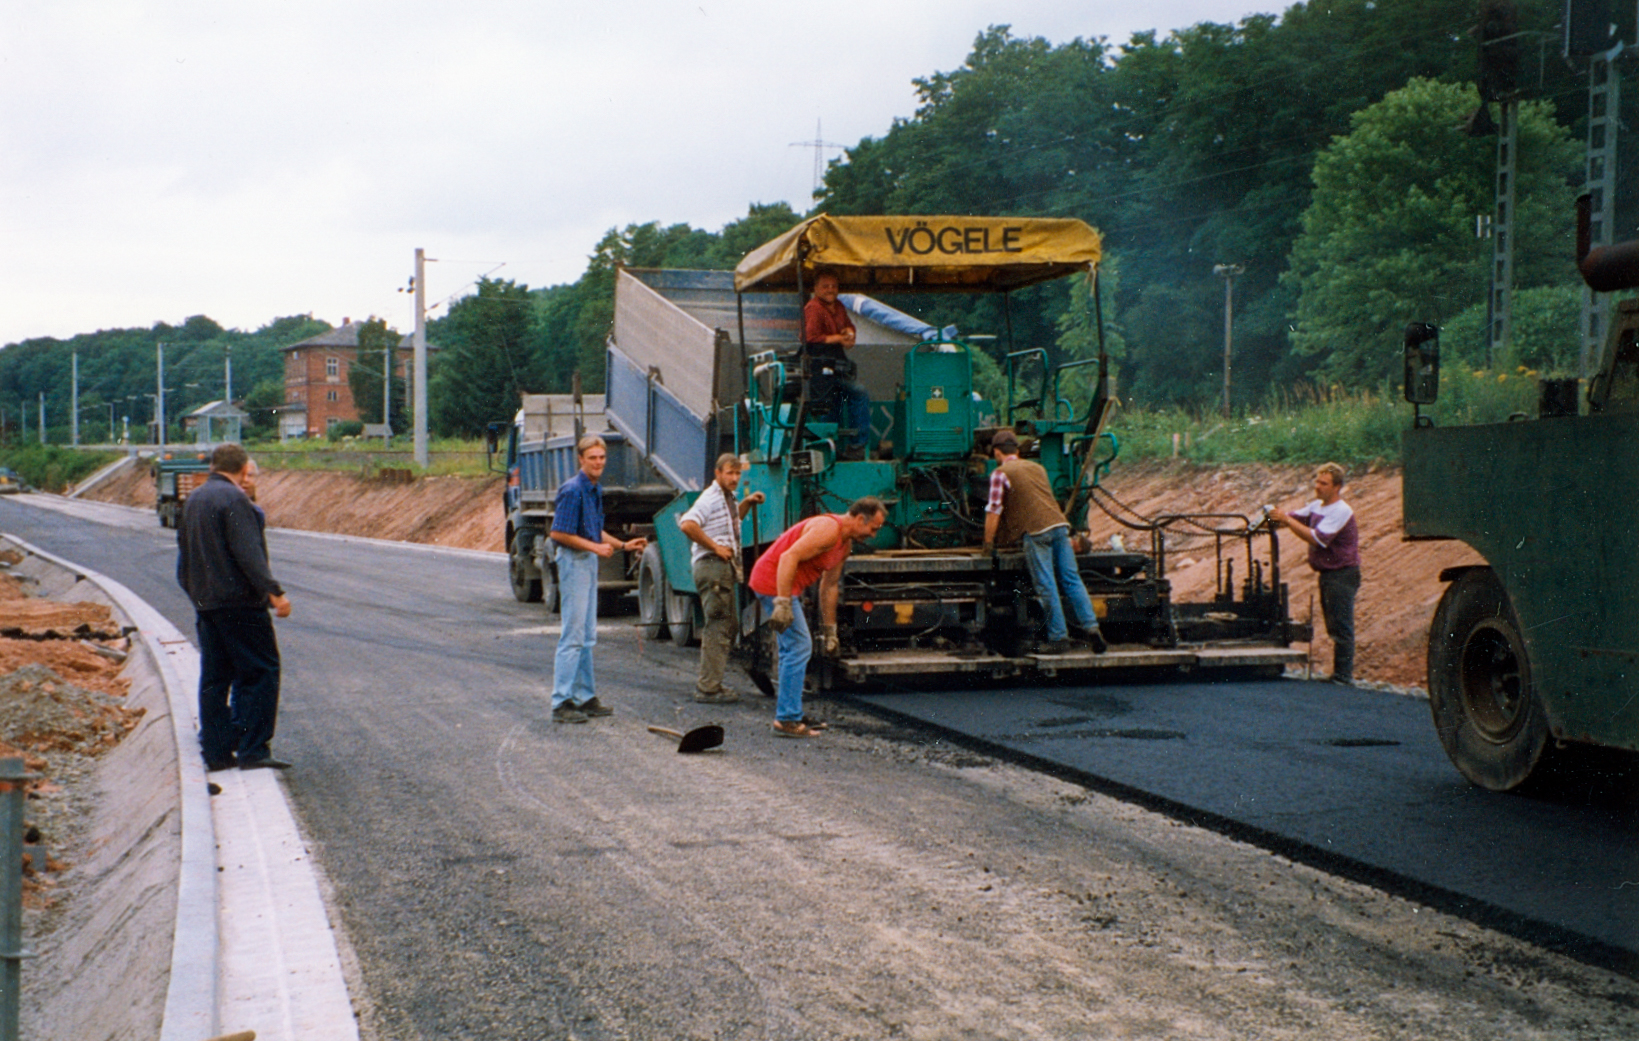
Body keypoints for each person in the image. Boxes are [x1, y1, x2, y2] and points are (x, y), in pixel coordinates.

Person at [176, 443, 293, 771]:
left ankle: (216, 752)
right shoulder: (235, 500)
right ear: (243, 471)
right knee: (260, 671)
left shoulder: (194, 500)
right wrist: (274, 592)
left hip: (207, 604)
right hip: (240, 604)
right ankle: (253, 749)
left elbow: (183, 560)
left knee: (215, 678)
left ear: (213, 465)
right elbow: (248, 554)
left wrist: (198, 596)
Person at [748, 497, 886, 738]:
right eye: (873, 529)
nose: (874, 535)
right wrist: (782, 603)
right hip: (772, 582)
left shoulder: (845, 544)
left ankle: (790, 712)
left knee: (791, 649)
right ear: (860, 519)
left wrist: (830, 629)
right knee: (800, 646)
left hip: (785, 587)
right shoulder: (828, 529)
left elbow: (829, 586)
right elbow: (788, 557)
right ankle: (787, 719)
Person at [549, 434, 647, 723]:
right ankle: (561, 701)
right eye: (592, 457)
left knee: (587, 634)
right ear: (581, 459)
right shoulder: (573, 490)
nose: (598, 462)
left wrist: (623, 546)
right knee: (573, 634)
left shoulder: (594, 489)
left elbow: (594, 530)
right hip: (573, 563)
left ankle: (584, 696)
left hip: (588, 562)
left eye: (602, 457)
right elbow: (558, 534)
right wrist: (594, 548)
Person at [981, 430, 1107, 655]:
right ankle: (1092, 629)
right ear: (1018, 451)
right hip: (1060, 527)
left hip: (1036, 532)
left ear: (997, 452)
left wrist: (988, 544)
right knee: (1071, 580)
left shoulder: (999, 473)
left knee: (1046, 585)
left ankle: (1058, 638)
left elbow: (994, 511)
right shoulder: (1037, 468)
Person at [678, 454, 765, 703]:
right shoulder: (711, 497)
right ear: (718, 473)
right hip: (712, 566)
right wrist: (715, 547)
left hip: (722, 568)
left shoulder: (728, 498)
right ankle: (708, 688)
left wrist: (747, 501)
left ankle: (712, 684)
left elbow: (732, 520)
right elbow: (687, 524)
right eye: (729, 473)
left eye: (738, 474)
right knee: (718, 624)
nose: (734, 478)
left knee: (728, 625)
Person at [1270, 462, 1360, 685]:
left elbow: (1318, 538)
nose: (1317, 486)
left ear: (1337, 487)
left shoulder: (1342, 511)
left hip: (1342, 573)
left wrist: (1286, 520)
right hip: (1328, 574)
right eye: (1317, 481)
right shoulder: (1316, 506)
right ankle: (1339, 674)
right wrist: (1275, 517)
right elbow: (1294, 516)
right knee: (1333, 623)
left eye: (1324, 483)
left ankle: (1343, 676)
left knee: (1342, 624)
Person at [803, 270, 872, 460]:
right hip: (819, 367)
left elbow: (848, 326)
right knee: (858, 392)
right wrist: (839, 338)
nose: (830, 290)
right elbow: (809, 338)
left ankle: (845, 448)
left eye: (834, 286)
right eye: (825, 286)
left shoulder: (839, 306)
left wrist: (849, 334)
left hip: (837, 365)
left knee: (837, 403)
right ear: (816, 289)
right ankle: (853, 444)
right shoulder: (813, 308)